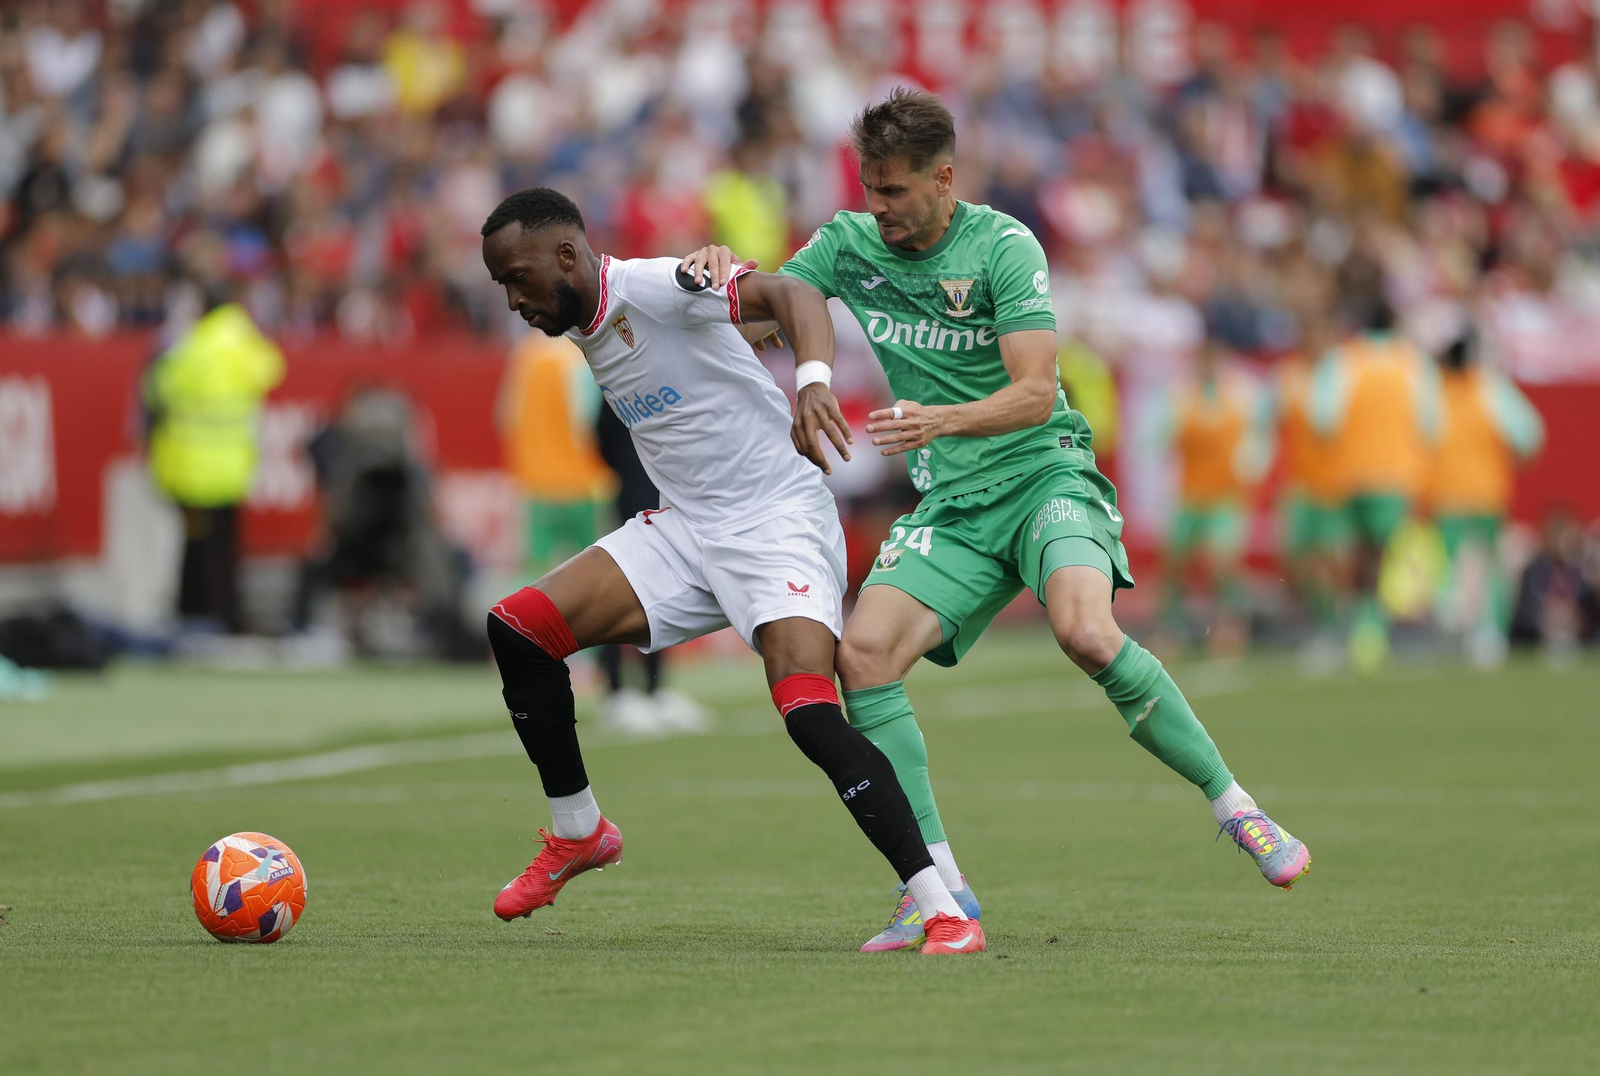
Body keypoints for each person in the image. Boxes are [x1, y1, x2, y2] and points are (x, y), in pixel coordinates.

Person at [685, 87, 1312, 954]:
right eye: (870, 189)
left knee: (1086, 634)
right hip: (954, 505)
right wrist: (722, 271)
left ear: (944, 178)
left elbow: (1028, 393)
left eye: (895, 191)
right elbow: (769, 304)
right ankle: (938, 887)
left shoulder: (1003, 246)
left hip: (1041, 472)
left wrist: (935, 420)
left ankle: (1238, 810)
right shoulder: (850, 243)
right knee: (861, 657)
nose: (879, 209)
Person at [479, 187, 982, 955]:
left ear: (566, 257)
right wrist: (739, 308)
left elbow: (793, 291)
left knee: (808, 710)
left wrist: (811, 378)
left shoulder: (654, 285)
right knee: (517, 629)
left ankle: (942, 907)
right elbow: (738, 322)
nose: (514, 299)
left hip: (776, 519)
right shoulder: (585, 317)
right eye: (501, 285)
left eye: (519, 278)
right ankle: (579, 832)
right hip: (688, 527)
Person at [1311, 290, 1441, 671]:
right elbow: (1431, 423)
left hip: (1351, 472)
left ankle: (1353, 627)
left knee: (1354, 553)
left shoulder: (1344, 360)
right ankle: (1373, 630)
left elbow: (1324, 418)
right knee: (1382, 554)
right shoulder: (1413, 362)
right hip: (1397, 473)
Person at [144, 289, 285, 634]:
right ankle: (224, 613)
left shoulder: (191, 344)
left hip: (193, 465)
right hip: (232, 465)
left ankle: (196, 614)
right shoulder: (243, 340)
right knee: (225, 547)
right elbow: (271, 370)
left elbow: (159, 388)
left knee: (196, 545)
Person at [1428, 330, 1544, 665]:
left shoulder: (1439, 390)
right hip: (1481, 494)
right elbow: (1530, 435)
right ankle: (1485, 634)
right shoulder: (1489, 389)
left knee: (1454, 569)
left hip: (1451, 495)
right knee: (1483, 568)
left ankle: (1465, 632)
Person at [1158, 337, 1271, 653]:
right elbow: (1163, 437)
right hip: (1189, 494)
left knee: (1222, 562)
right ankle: (1173, 626)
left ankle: (1229, 625)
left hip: (1226, 495)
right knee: (1175, 560)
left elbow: (1257, 438)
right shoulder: (1180, 394)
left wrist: (1251, 468)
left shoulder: (1242, 395)